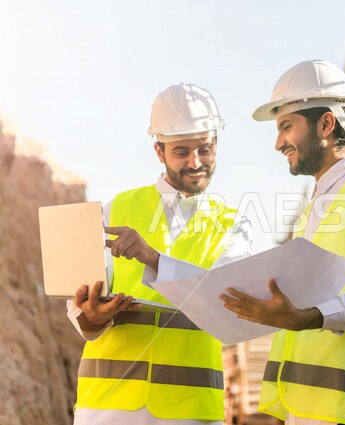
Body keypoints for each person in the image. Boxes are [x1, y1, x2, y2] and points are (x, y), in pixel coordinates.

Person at [220, 60, 345, 425]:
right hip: (313, 410)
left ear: (326, 124)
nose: (279, 143)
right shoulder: (318, 207)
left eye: (286, 126)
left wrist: (307, 317)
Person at [67, 82, 252, 425]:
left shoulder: (234, 225)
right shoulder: (117, 208)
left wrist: (153, 259)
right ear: (159, 151)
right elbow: (79, 308)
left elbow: (226, 305)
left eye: (205, 149)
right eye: (182, 152)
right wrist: (89, 317)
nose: (196, 162)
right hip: (108, 409)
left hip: (189, 410)